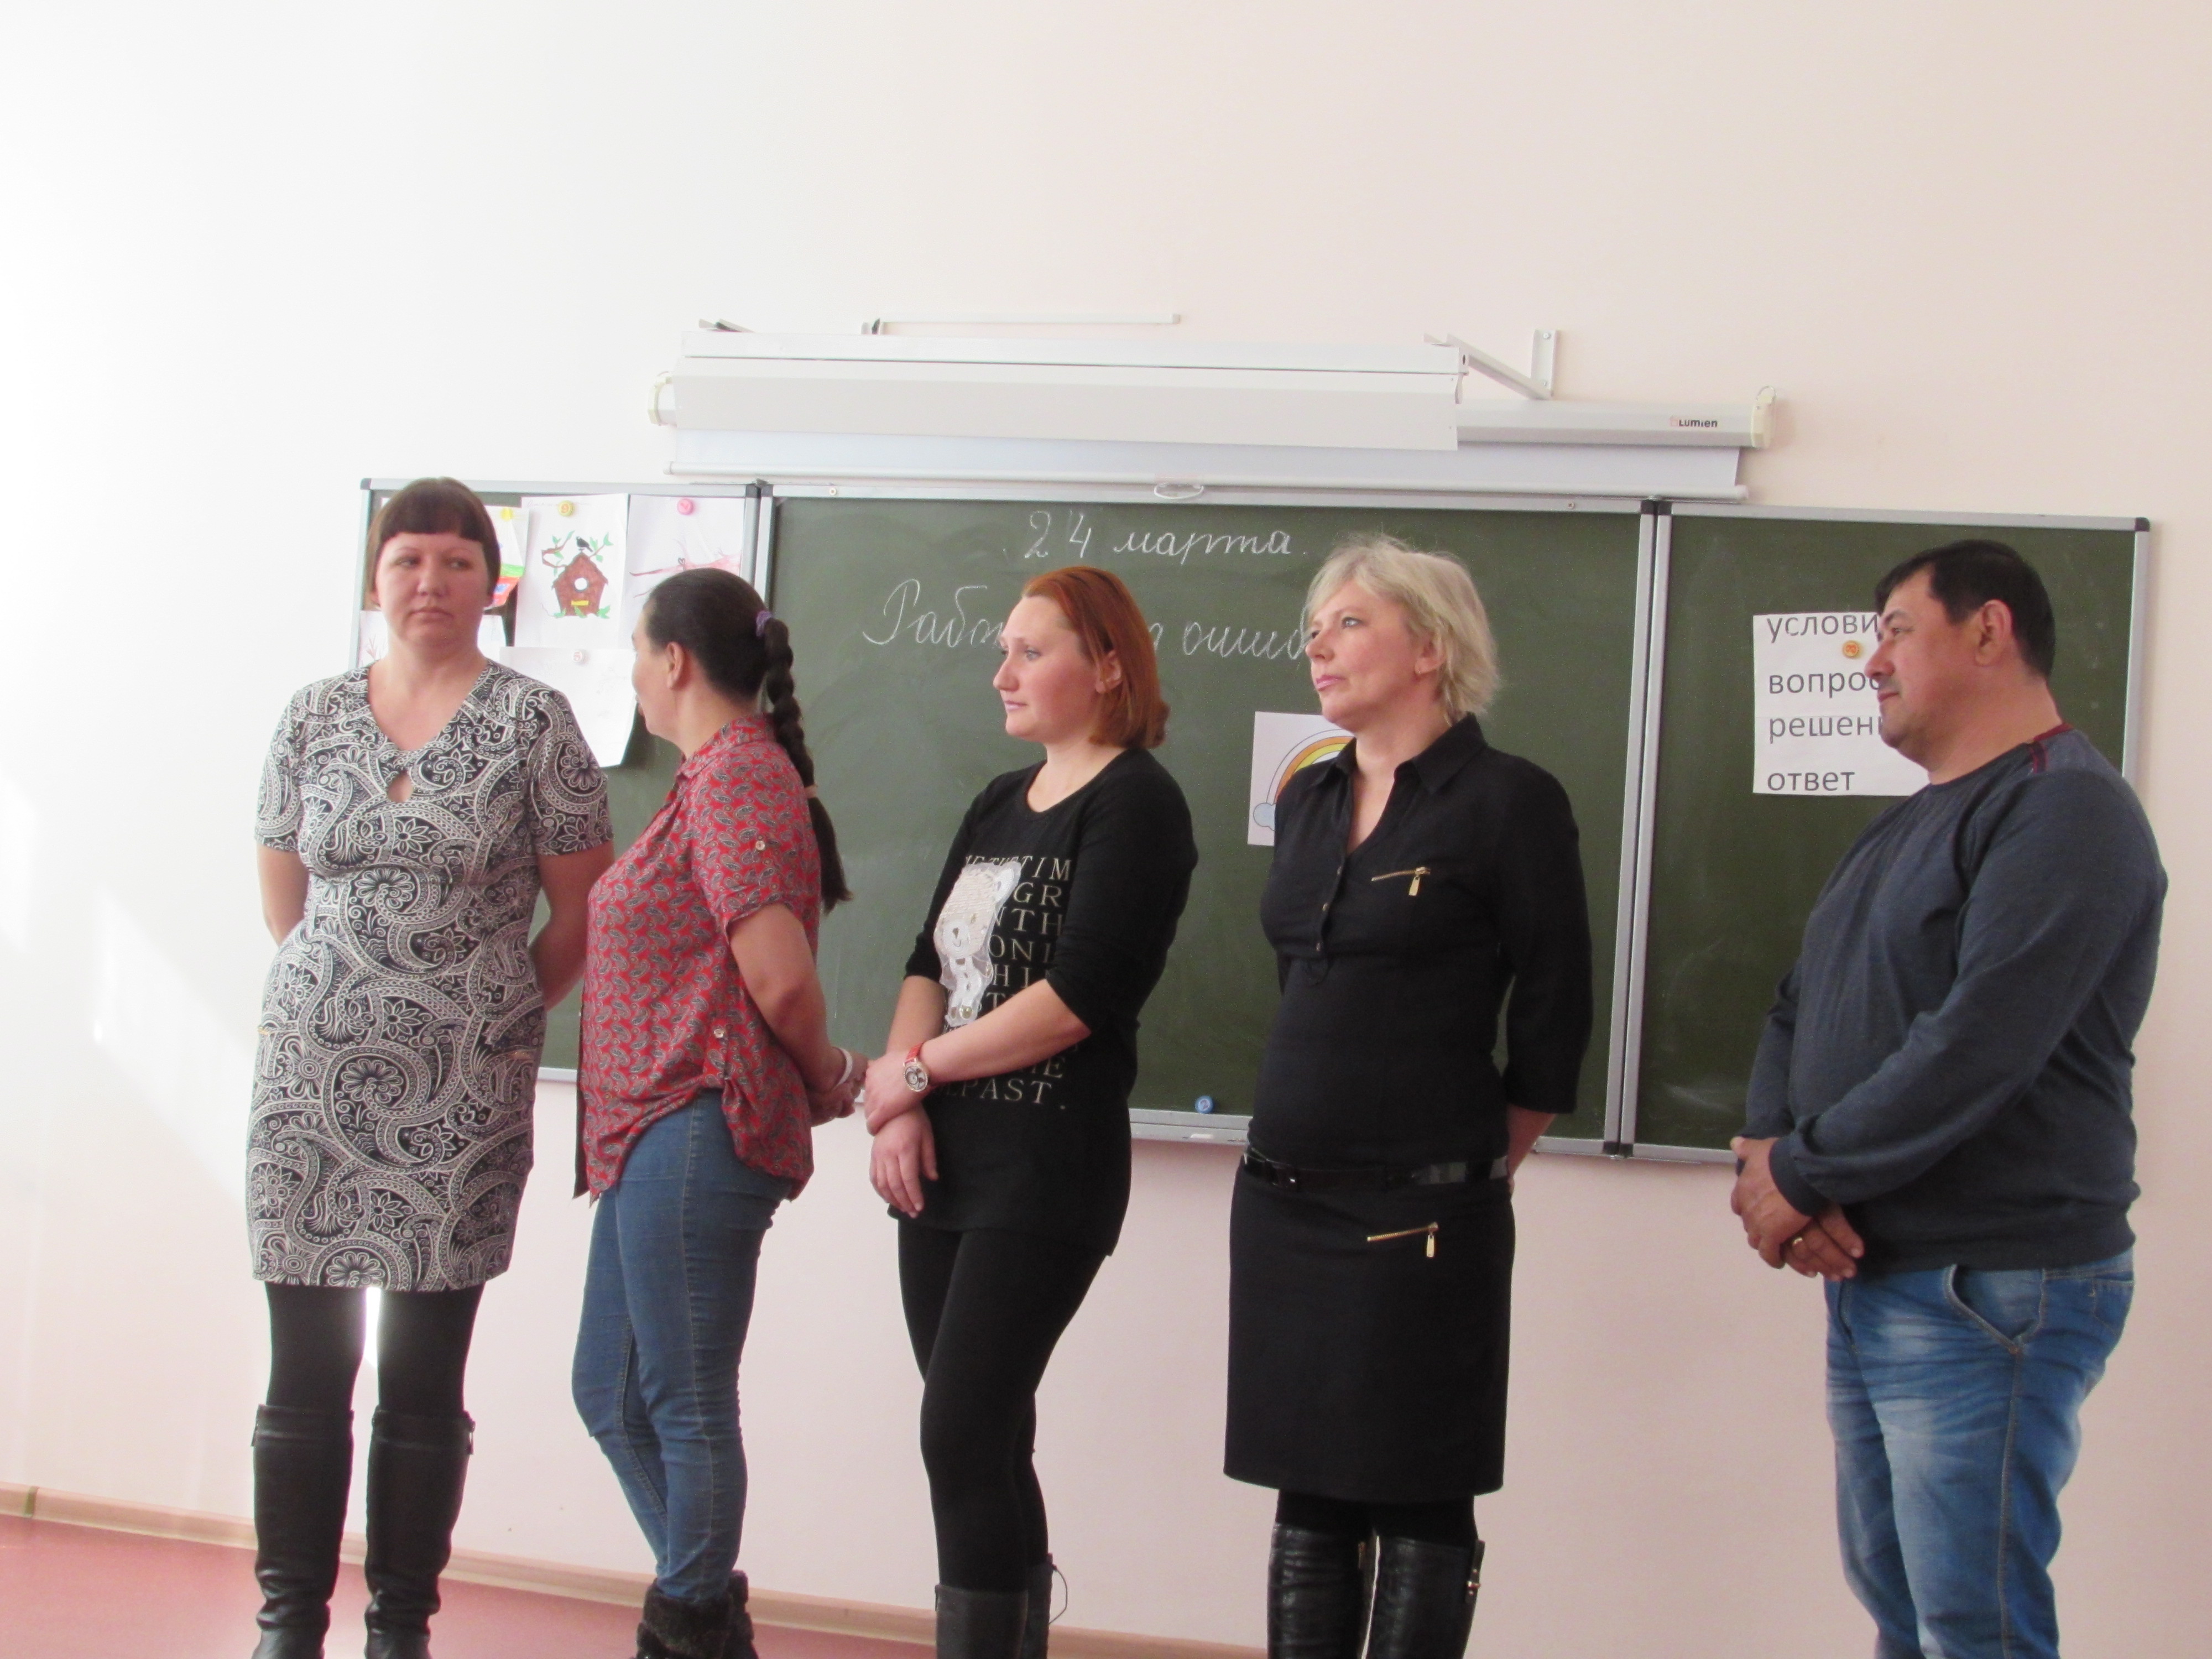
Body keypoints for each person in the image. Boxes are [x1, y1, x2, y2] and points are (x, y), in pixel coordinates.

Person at [1731, 540, 2163, 1659]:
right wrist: (1769, 1155)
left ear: (1987, 631)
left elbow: (1979, 1046)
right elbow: (1798, 1002)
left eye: (1893, 630)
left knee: (1971, 1623)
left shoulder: (2066, 810)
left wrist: (1801, 1173)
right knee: (1903, 1604)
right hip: (1882, 1267)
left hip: (1989, 1281)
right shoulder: (1910, 819)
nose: (1870, 660)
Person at [248, 477, 613, 1658]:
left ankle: (399, 1624)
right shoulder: (311, 716)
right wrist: (353, 999)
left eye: (458, 562)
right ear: (376, 576)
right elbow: (287, 902)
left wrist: (487, 1011)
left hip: (463, 1088)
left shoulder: (535, 721)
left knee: (420, 1369)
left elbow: (584, 911)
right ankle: (287, 1622)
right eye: (408, 559)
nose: (431, 583)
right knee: (306, 1363)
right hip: (309, 1083)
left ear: (491, 584)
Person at [1225, 535, 1592, 1659]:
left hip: (1426, 1210)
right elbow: (1310, 984)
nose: (1318, 646)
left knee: (1419, 1485)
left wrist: (1463, 1170)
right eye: (1314, 628)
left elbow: (1556, 1015)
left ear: (1429, 647)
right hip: (1285, 1198)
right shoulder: (1307, 794)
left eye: (1348, 623)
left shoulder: (1509, 801)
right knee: (1308, 1486)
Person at [861, 566, 1196, 1659]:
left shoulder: (1137, 802)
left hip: (1046, 1169)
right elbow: (928, 961)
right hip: (942, 1163)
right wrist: (903, 1105)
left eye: (1032, 651)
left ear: (1108, 668)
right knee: (987, 1440)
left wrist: (914, 1075)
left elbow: (1078, 998)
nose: (1002, 673)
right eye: (1003, 650)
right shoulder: (999, 800)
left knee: (959, 1432)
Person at [572, 569, 864, 1659]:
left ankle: (690, 1629)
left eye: (636, 653)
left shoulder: (741, 775)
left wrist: (828, 1071)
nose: (634, 675)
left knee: (684, 1401)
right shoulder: (714, 778)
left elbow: (778, 978)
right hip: (647, 1132)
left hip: (698, 1123)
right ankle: (706, 1620)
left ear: (675, 661)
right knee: (610, 1392)